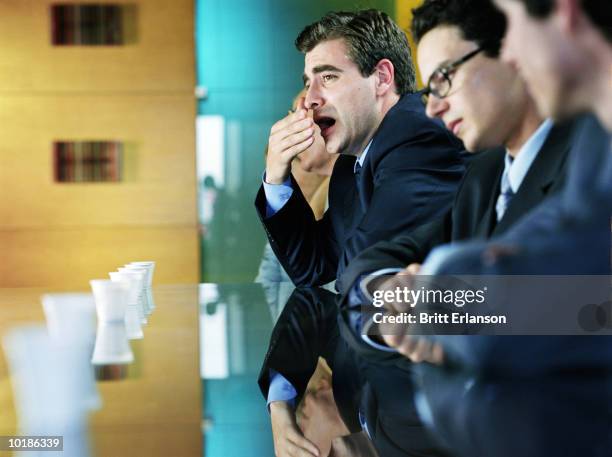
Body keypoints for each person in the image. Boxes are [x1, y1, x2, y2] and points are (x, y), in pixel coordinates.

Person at [338, 0, 576, 310]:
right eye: (429, 91)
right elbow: (366, 264)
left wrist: (436, 296)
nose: (433, 108)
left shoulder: (591, 164)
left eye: (444, 78)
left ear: (513, 54)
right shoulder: (484, 176)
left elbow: (577, 304)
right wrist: (392, 287)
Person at [255, 9, 465, 289]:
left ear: (381, 77)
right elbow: (314, 268)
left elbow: (363, 275)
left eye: (328, 77)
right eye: (308, 82)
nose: (310, 100)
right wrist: (276, 179)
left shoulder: (419, 136)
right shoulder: (350, 164)